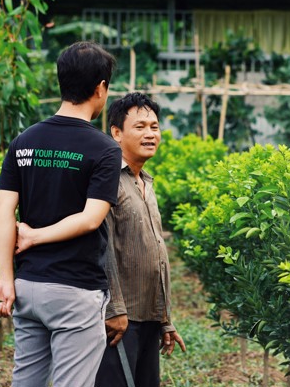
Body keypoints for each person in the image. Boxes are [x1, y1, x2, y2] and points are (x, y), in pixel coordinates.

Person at [0, 41, 121, 386]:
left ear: (61, 83)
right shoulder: (105, 150)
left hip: (28, 286)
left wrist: (5, 279)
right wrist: (36, 235)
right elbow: (91, 218)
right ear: (100, 88)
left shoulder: (24, 141)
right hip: (74, 292)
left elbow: (4, 212)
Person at [94, 92, 186, 386]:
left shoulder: (146, 181)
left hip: (149, 317)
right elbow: (102, 248)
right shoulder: (107, 180)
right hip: (121, 320)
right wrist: (114, 309)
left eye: (154, 127)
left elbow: (156, 253)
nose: (150, 134)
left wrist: (165, 319)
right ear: (117, 133)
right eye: (141, 127)